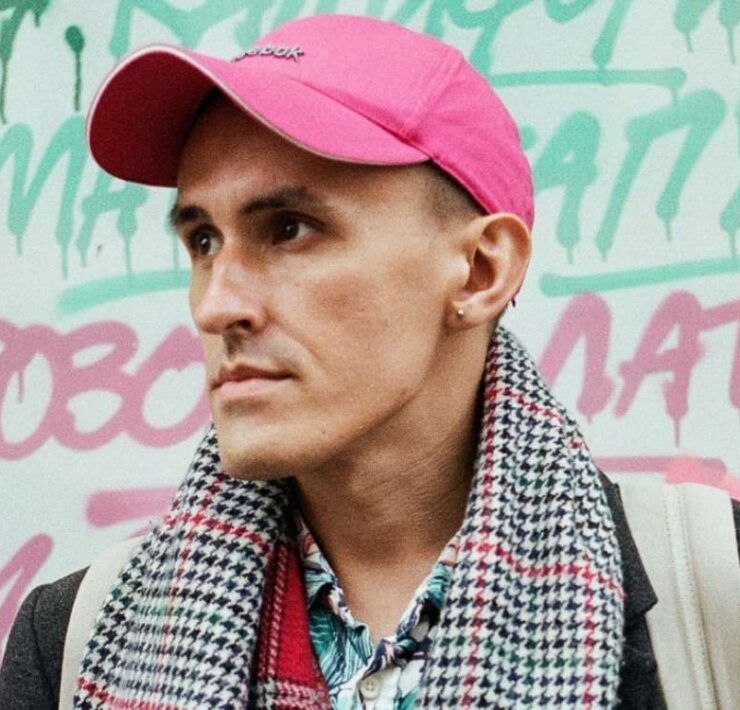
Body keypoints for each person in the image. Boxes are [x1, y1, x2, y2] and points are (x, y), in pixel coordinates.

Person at [1, 13, 738, 710]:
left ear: (481, 271)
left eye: (289, 229)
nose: (216, 306)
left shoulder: (712, 589)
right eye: (203, 241)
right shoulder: (74, 640)